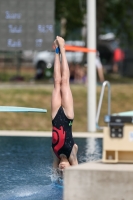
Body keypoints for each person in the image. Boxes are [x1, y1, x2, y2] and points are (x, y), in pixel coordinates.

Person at [51, 36, 78, 173]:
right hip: (67, 116)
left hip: (55, 117)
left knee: (57, 83)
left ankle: (56, 51)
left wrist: (57, 174)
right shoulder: (72, 155)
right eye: (65, 169)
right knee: (65, 82)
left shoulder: (56, 155)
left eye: (61, 170)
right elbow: (79, 174)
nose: (62, 168)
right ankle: (63, 47)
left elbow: (52, 177)